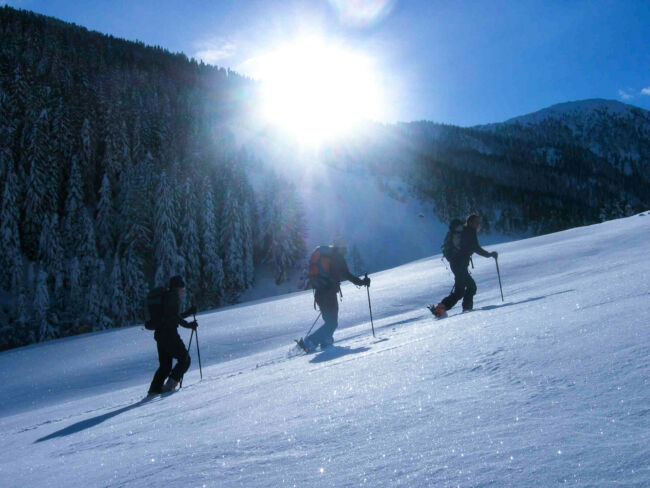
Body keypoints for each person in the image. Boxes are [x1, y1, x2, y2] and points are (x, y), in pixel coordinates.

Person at [298, 239, 370, 352]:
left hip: (320, 293)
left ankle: (325, 342)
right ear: (342, 247)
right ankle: (310, 341)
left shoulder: (329, 256)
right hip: (328, 294)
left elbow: (337, 275)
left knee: (329, 321)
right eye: (345, 247)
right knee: (332, 323)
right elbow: (347, 275)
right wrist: (362, 282)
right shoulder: (337, 258)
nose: (346, 250)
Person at [431, 214, 498, 317]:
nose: (478, 224)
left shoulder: (465, 231)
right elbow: (476, 248)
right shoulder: (469, 232)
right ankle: (466, 310)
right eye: (476, 222)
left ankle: (440, 309)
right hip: (459, 265)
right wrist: (489, 255)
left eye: (479, 222)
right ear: (470, 222)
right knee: (471, 287)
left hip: (457, 264)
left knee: (460, 291)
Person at [148, 275, 197, 395]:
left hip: (160, 335)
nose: (182, 291)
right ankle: (169, 387)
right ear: (177, 288)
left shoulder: (166, 297)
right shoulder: (172, 298)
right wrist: (189, 325)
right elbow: (174, 317)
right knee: (185, 360)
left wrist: (188, 313)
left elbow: (172, 316)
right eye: (182, 289)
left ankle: (154, 390)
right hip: (169, 335)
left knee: (165, 366)